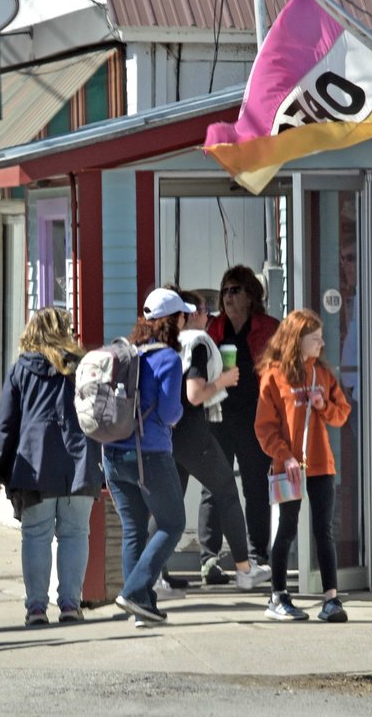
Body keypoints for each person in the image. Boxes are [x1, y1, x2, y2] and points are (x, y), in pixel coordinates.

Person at [153, 288, 271, 597]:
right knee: (227, 492)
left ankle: (153, 576)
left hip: (166, 432)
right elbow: (194, 395)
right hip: (192, 432)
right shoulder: (198, 343)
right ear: (191, 314)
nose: (211, 316)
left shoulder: (165, 344)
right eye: (206, 311)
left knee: (168, 506)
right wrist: (223, 381)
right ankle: (245, 570)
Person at [0, 307, 103, 626]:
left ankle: (37, 608)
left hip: (34, 464)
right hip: (78, 461)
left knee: (36, 535)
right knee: (75, 533)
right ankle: (70, 603)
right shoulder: (81, 366)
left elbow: (6, 424)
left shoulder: (21, 370)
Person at [254, 309, 352, 622]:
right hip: (289, 466)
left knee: (324, 530)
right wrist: (285, 456)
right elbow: (265, 427)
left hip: (321, 464)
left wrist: (324, 405)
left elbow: (342, 414)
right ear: (298, 341)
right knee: (286, 528)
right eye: (315, 338)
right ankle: (278, 596)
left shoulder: (321, 373)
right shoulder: (274, 375)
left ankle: (331, 599)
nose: (322, 343)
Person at [103, 288, 190, 626]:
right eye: (182, 315)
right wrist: (179, 411)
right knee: (173, 523)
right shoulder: (168, 358)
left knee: (134, 530)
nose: (186, 320)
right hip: (149, 455)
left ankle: (143, 608)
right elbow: (169, 413)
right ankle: (135, 592)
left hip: (111, 454)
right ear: (174, 320)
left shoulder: (129, 352)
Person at [202, 265, 279, 582]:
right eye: (225, 291)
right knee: (213, 487)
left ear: (251, 295)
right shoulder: (213, 330)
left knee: (256, 486)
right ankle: (209, 559)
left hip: (254, 418)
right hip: (218, 417)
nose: (229, 296)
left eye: (235, 290)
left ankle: (256, 555)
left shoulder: (268, 327)